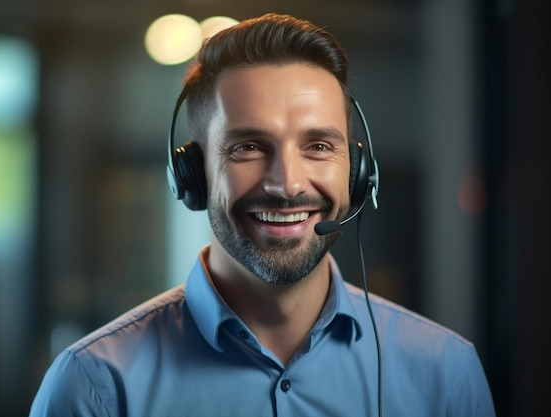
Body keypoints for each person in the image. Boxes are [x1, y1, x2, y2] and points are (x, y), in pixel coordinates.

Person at [29, 13, 496, 416]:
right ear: (192, 173)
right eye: (248, 147)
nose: (287, 184)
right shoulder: (94, 386)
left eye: (317, 146)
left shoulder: (445, 373)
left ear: (357, 172)